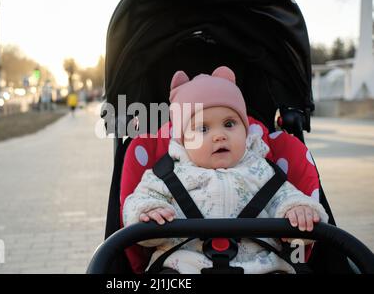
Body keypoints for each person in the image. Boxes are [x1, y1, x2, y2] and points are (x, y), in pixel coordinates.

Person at [122, 66, 329, 274]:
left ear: (246, 130)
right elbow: (137, 202)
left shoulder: (263, 171)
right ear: (183, 140)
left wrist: (299, 212)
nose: (219, 135)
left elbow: (287, 197)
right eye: (203, 128)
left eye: (229, 124)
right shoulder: (166, 176)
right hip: (184, 267)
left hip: (259, 267)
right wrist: (147, 213)